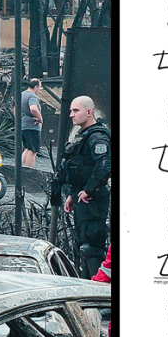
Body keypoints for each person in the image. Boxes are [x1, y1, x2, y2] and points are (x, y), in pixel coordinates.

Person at [50, 96, 111, 279]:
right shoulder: (83, 136)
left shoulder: (98, 137)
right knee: (82, 245)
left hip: (94, 201)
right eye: (71, 111)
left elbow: (104, 167)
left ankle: (98, 293)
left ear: (89, 112)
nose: (71, 115)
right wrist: (73, 194)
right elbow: (80, 168)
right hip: (83, 199)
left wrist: (89, 190)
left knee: (91, 247)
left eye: (76, 111)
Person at [20, 78, 44, 168]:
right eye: (40, 87)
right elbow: (33, 108)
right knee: (33, 150)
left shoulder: (22, 95)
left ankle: (19, 168)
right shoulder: (32, 96)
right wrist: (40, 118)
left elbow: (15, 109)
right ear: (36, 87)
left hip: (23, 125)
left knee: (27, 148)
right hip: (32, 126)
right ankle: (29, 171)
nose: (39, 90)